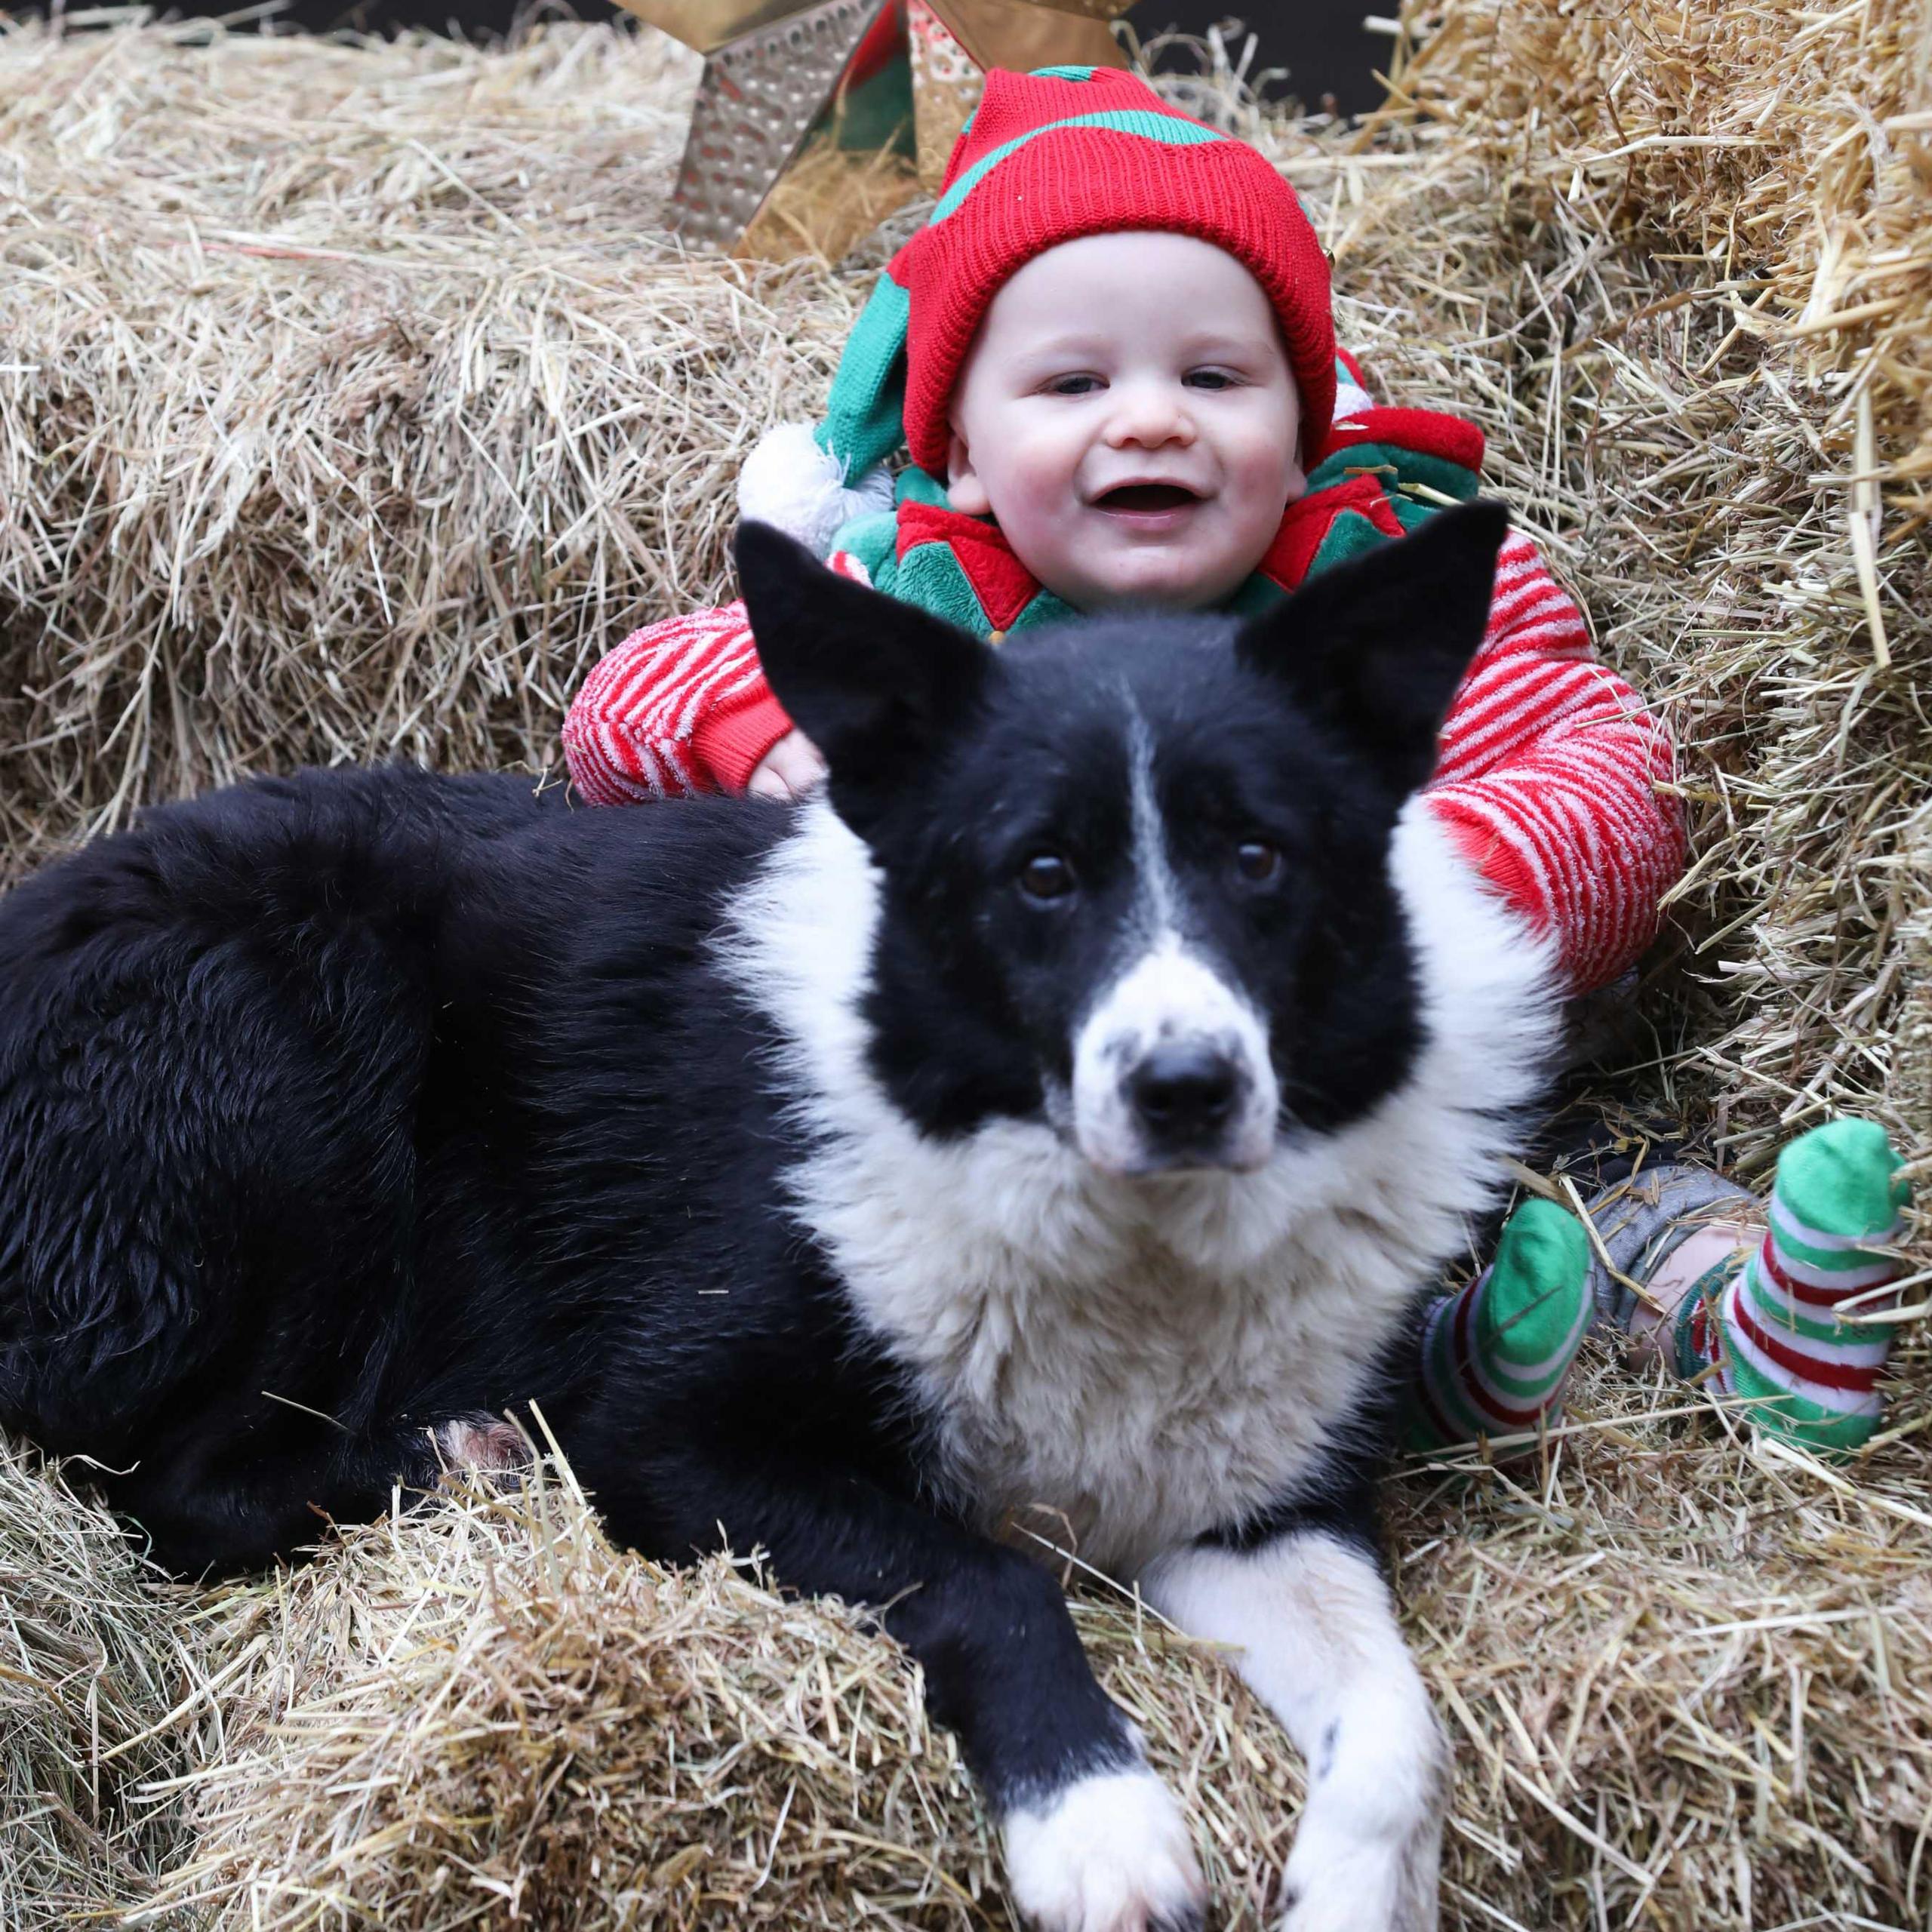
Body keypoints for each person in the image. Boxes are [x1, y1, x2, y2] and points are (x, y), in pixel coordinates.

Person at [562, 65, 1909, 1459]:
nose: (1149, 418)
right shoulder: (921, 608)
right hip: (1091, 1129)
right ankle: (1441, 1378)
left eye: (1213, 376)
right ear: (958, 452)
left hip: (1379, 1102)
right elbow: (623, 700)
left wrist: (1448, 874)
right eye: (1075, 381)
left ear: (1305, 428)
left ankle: (1735, 1320)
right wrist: (766, 732)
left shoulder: (1378, 593)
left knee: (1579, 1173)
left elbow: (1612, 764)